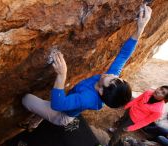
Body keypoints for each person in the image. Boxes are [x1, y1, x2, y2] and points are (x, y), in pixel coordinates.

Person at [22, 4, 152, 131]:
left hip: (62, 115)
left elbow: (58, 105)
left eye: (112, 79)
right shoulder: (111, 81)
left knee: (27, 99)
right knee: (47, 105)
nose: (112, 75)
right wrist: (140, 28)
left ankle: (35, 121)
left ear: (101, 91)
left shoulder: (88, 98)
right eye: (118, 78)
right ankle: (35, 121)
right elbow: (123, 56)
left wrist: (62, 75)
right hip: (68, 103)